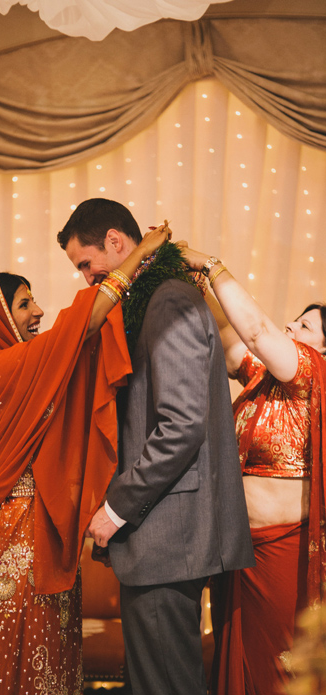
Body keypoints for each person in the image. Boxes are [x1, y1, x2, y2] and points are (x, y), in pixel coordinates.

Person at [0, 223, 168, 694]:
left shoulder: (28, 366)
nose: (39, 312)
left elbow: (75, 343)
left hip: (46, 530)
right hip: (19, 536)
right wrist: (142, 256)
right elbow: (83, 324)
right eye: (24, 304)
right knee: (22, 659)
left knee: (52, 657)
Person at [57, 198, 254, 695]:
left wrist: (117, 508)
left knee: (164, 686)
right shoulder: (150, 299)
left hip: (171, 536)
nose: (86, 278)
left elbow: (182, 424)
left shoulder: (166, 298)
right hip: (170, 534)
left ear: (117, 243)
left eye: (86, 263)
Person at [175, 244, 326, 694]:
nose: (290, 326)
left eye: (304, 325)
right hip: (237, 551)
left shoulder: (313, 374)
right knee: (233, 662)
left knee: (279, 672)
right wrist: (192, 282)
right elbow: (230, 341)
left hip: (282, 554)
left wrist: (212, 264)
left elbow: (259, 332)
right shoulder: (267, 379)